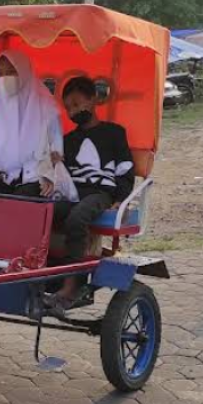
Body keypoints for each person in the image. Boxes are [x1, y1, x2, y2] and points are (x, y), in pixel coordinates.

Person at [55, 76, 135, 302]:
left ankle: (73, 284)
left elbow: (124, 169)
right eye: (68, 108)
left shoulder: (114, 133)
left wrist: (121, 199)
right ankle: (42, 274)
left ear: (93, 100)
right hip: (73, 192)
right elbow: (63, 175)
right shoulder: (68, 140)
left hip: (100, 193)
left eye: (77, 104)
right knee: (44, 211)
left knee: (77, 218)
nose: (72, 112)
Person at [0, 51, 72, 200]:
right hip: (3, 177)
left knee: (20, 203)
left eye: (11, 71)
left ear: (24, 72)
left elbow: (56, 152)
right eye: (0, 73)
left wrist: (48, 175)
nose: (5, 78)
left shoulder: (46, 107)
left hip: (37, 178)